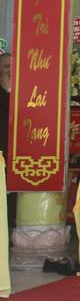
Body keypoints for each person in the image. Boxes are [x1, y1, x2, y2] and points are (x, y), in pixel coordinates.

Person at [1, 52, 14, 235]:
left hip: (16, 147)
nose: (10, 71)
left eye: (12, 67)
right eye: (6, 67)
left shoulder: (22, 88)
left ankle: (10, 227)